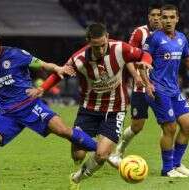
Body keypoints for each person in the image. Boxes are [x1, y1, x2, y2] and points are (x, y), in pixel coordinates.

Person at [27, 23, 153, 190]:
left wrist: (145, 63)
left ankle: (76, 178)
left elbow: (144, 55)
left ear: (107, 37)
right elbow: (60, 73)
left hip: (115, 109)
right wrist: (42, 88)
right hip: (88, 110)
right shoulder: (78, 59)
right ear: (88, 41)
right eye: (96, 47)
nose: (100, 50)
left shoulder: (120, 48)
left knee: (100, 155)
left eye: (103, 45)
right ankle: (89, 154)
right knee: (78, 154)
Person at [0, 25, 98, 190]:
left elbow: (43, 65)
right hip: (8, 114)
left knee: (63, 131)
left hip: (30, 105)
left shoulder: (15, 54)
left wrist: (58, 68)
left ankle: (105, 152)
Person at [143, 4, 189, 177]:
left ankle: (177, 164)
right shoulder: (154, 39)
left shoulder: (181, 38)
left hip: (174, 90)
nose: (168, 21)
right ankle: (167, 169)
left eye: (172, 17)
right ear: (161, 19)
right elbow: (143, 62)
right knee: (170, 127)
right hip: (158, 89)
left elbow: (188, 59)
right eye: (164, 17)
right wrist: (146, 82)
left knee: (187, 126)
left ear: (177, 19)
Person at [108, 4, 162, 167]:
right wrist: (136, 76)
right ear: (148, 17)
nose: (157, 18)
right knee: (137, 126)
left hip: (162, 86)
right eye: (153, 15)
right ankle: (118, 151)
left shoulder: (167, 34)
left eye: (159, 15)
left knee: (170, 124)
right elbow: (128, 56)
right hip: (141, 87)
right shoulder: (140, 32)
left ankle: (170, 163)